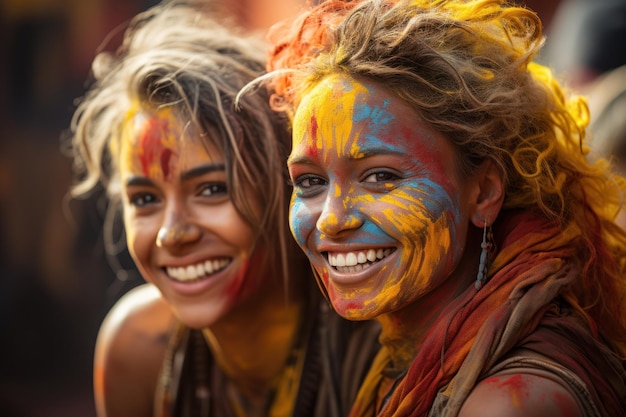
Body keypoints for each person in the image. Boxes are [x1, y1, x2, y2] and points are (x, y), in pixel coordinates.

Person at [261, 0, 626, 415]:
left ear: (484, 192)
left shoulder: (509, 403)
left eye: (380, 177)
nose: (332, 218)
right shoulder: (397, 352)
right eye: (311, 182)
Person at [66, 1, 380, 416]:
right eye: (145, 199)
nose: (171, 233)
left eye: (212, 189)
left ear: (288, 186)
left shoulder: (382, 356)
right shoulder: (138, 350)